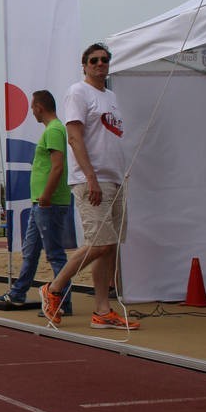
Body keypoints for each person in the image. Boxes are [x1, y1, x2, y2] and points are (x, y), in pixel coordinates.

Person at [39, 43, 140, 330]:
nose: (99, 64)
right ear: (84, 65)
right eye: (94, 60)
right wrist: (91, 177)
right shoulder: (78, 93)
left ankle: (102, 310)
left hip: (115, 178)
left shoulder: (111, 96)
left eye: (104, 60)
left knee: (109, 248)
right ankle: (55, 288)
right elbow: (74, 138)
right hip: (91, 180)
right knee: (99, 242)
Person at [0, 90, 72, 313]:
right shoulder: (51, 130)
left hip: (48, 203)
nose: (31, 112)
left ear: (39, 107)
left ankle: (62, 301)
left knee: (55, 254)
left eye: (32, 107)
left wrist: (47, 195)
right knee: (31, 250)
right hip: (39, 202)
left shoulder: (55, 130)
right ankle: (18, 291)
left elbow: (57, 165)